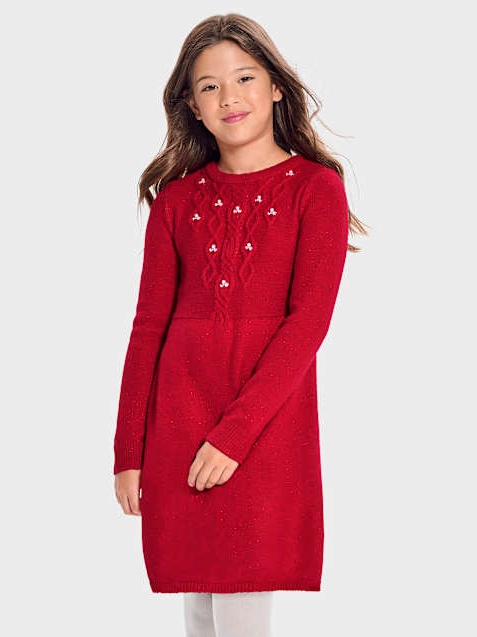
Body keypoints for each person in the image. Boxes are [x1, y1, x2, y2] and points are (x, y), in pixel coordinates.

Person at [113, 13, 367, 637]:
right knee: (198, 602)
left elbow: (308, 325)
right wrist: (128, 450)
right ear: (192, 106)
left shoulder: (317, 190)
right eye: (209, 86)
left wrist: (234, 435)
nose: (229, 96)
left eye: (245, 77)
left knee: (244, 600)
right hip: (177, 422)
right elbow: (148, 329)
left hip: (264, 427)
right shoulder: (175, 202)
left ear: (277, 86)